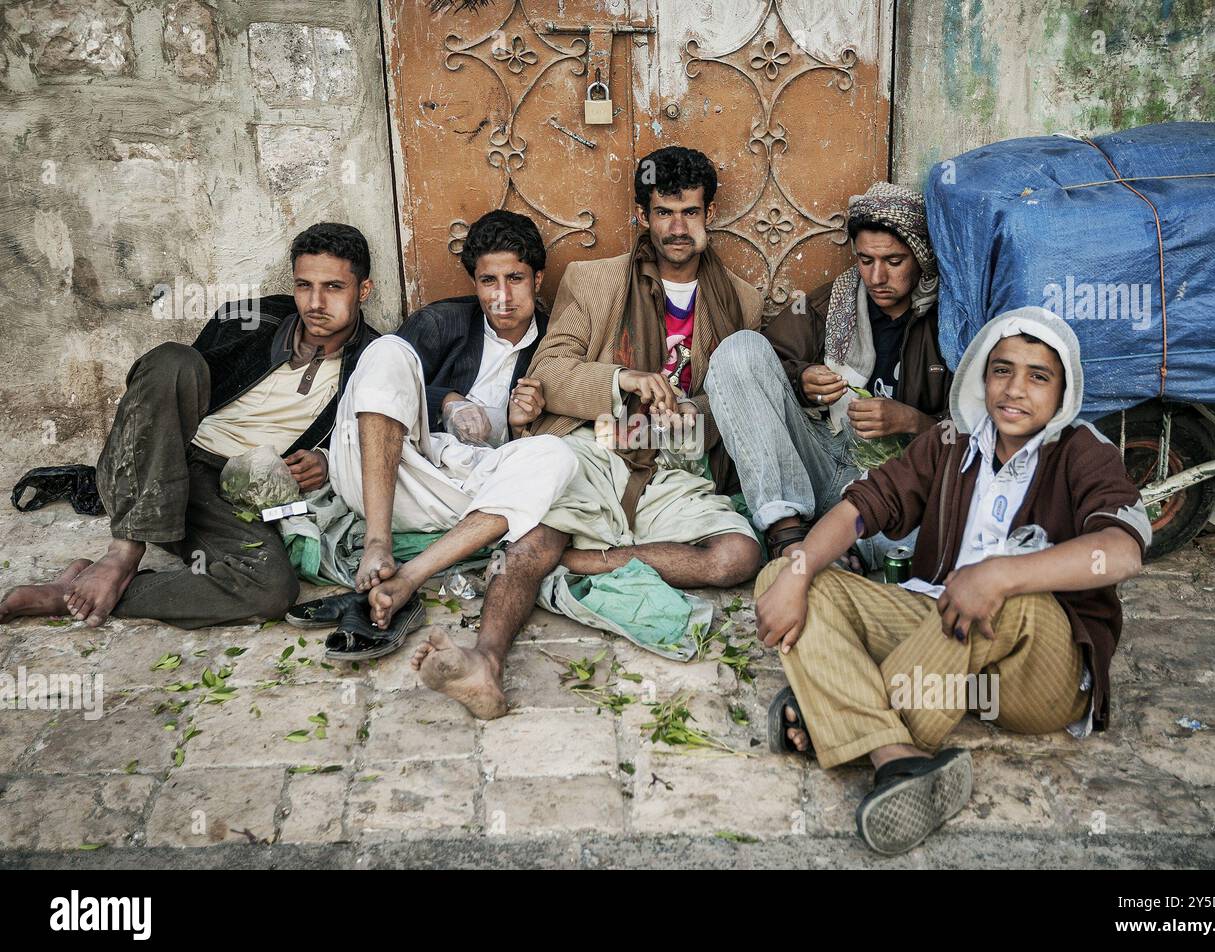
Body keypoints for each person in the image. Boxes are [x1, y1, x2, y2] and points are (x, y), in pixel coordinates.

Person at [756, 306, 1151, 855]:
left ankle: (834, 709)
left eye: (1039, 376)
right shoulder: (951, 441)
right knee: (788, 572)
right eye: (1002, 370)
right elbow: (860, 509)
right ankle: (896, 758)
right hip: (944, 634)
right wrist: (797, 572)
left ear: (1063, 392)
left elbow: (1123, 553)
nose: (1016, 389)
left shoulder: (1084, 452)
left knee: (1009, 596)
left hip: (1037, 673)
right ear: (981, 378)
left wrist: (1001, 574)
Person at [0, 223, 379, 629]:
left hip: (234, 492)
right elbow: (162, 393)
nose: (315, 302)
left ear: (364, 290)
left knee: (271, 590)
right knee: (173, 360)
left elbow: (384, 444)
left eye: (334, 287)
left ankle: (75, 593)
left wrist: (328, 460)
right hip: (163, 462)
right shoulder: (253, 319)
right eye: (304, 285)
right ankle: (122, 553)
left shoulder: (374, 362)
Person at [319, 209, 577, 719]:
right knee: (388, 348)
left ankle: (408, 576)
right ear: (474, 283)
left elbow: (562, 435)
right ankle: (377, 546)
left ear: (538, 279)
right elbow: (375, 389)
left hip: (473, 499)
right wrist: (449, 401)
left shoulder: (556, 341)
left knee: (556, 455)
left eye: (515, 279)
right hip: (395, 476)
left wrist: (521, 421)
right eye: (488, 281)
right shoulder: (441, 322)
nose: (501, 296)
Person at [518, 145, 765, 590]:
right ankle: (487, 653)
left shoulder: (742, 300)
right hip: (596, 448)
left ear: (709, 213)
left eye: (689, 213)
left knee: (738, 556)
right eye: (663, 212)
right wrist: (622, 379)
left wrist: (692, 412)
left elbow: (737, 401)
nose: (676, 228)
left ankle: (582, 560)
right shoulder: (592, 281)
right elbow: (548, 370)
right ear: (641, 216)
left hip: (677, 465)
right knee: (536, 535)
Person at [706, 182, 950, 568]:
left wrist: (912, 421)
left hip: (894, 483)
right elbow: (768, 363)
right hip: (818, 461)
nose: (877, 276)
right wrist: (803, 381)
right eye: (866, 260)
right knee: (738, 351)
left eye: (894, 261)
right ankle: (787, 533)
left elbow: (978, 434)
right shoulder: (829, 302)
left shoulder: (948, 321)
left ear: (920, 258)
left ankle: (843, 547)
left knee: (944, 540)